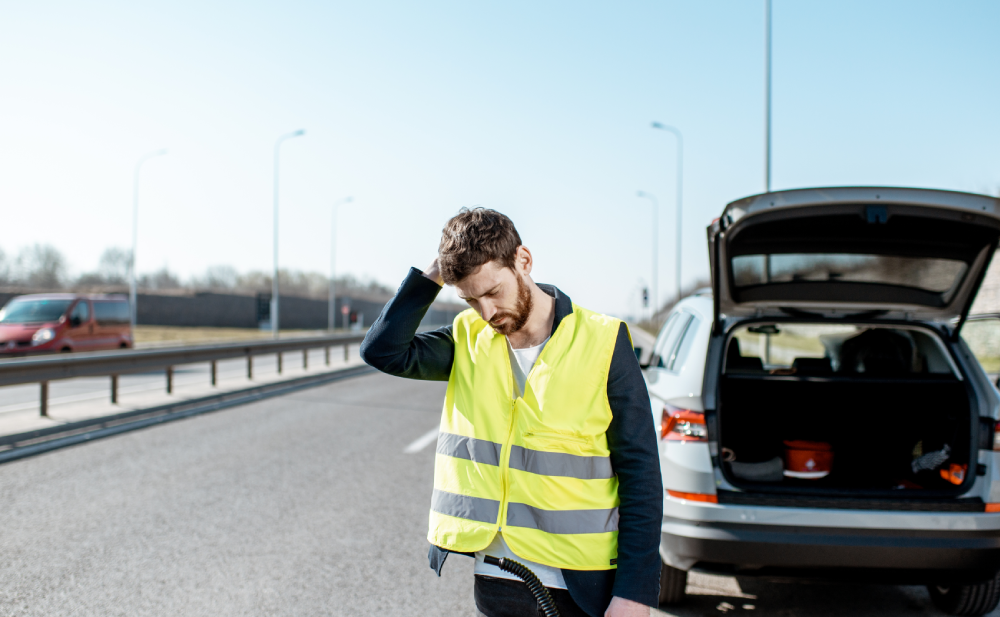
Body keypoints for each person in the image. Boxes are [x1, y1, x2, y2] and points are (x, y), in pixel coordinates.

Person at [360, 208, 662, 617]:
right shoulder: (467, 337)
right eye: (469, 299)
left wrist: (636, 593)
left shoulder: (605, 340)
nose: (486, 313)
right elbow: (383, 350)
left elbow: (640, 472)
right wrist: (432, 275)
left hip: (581, 581)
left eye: (493, 292)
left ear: (523, 261)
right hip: (499, 578)